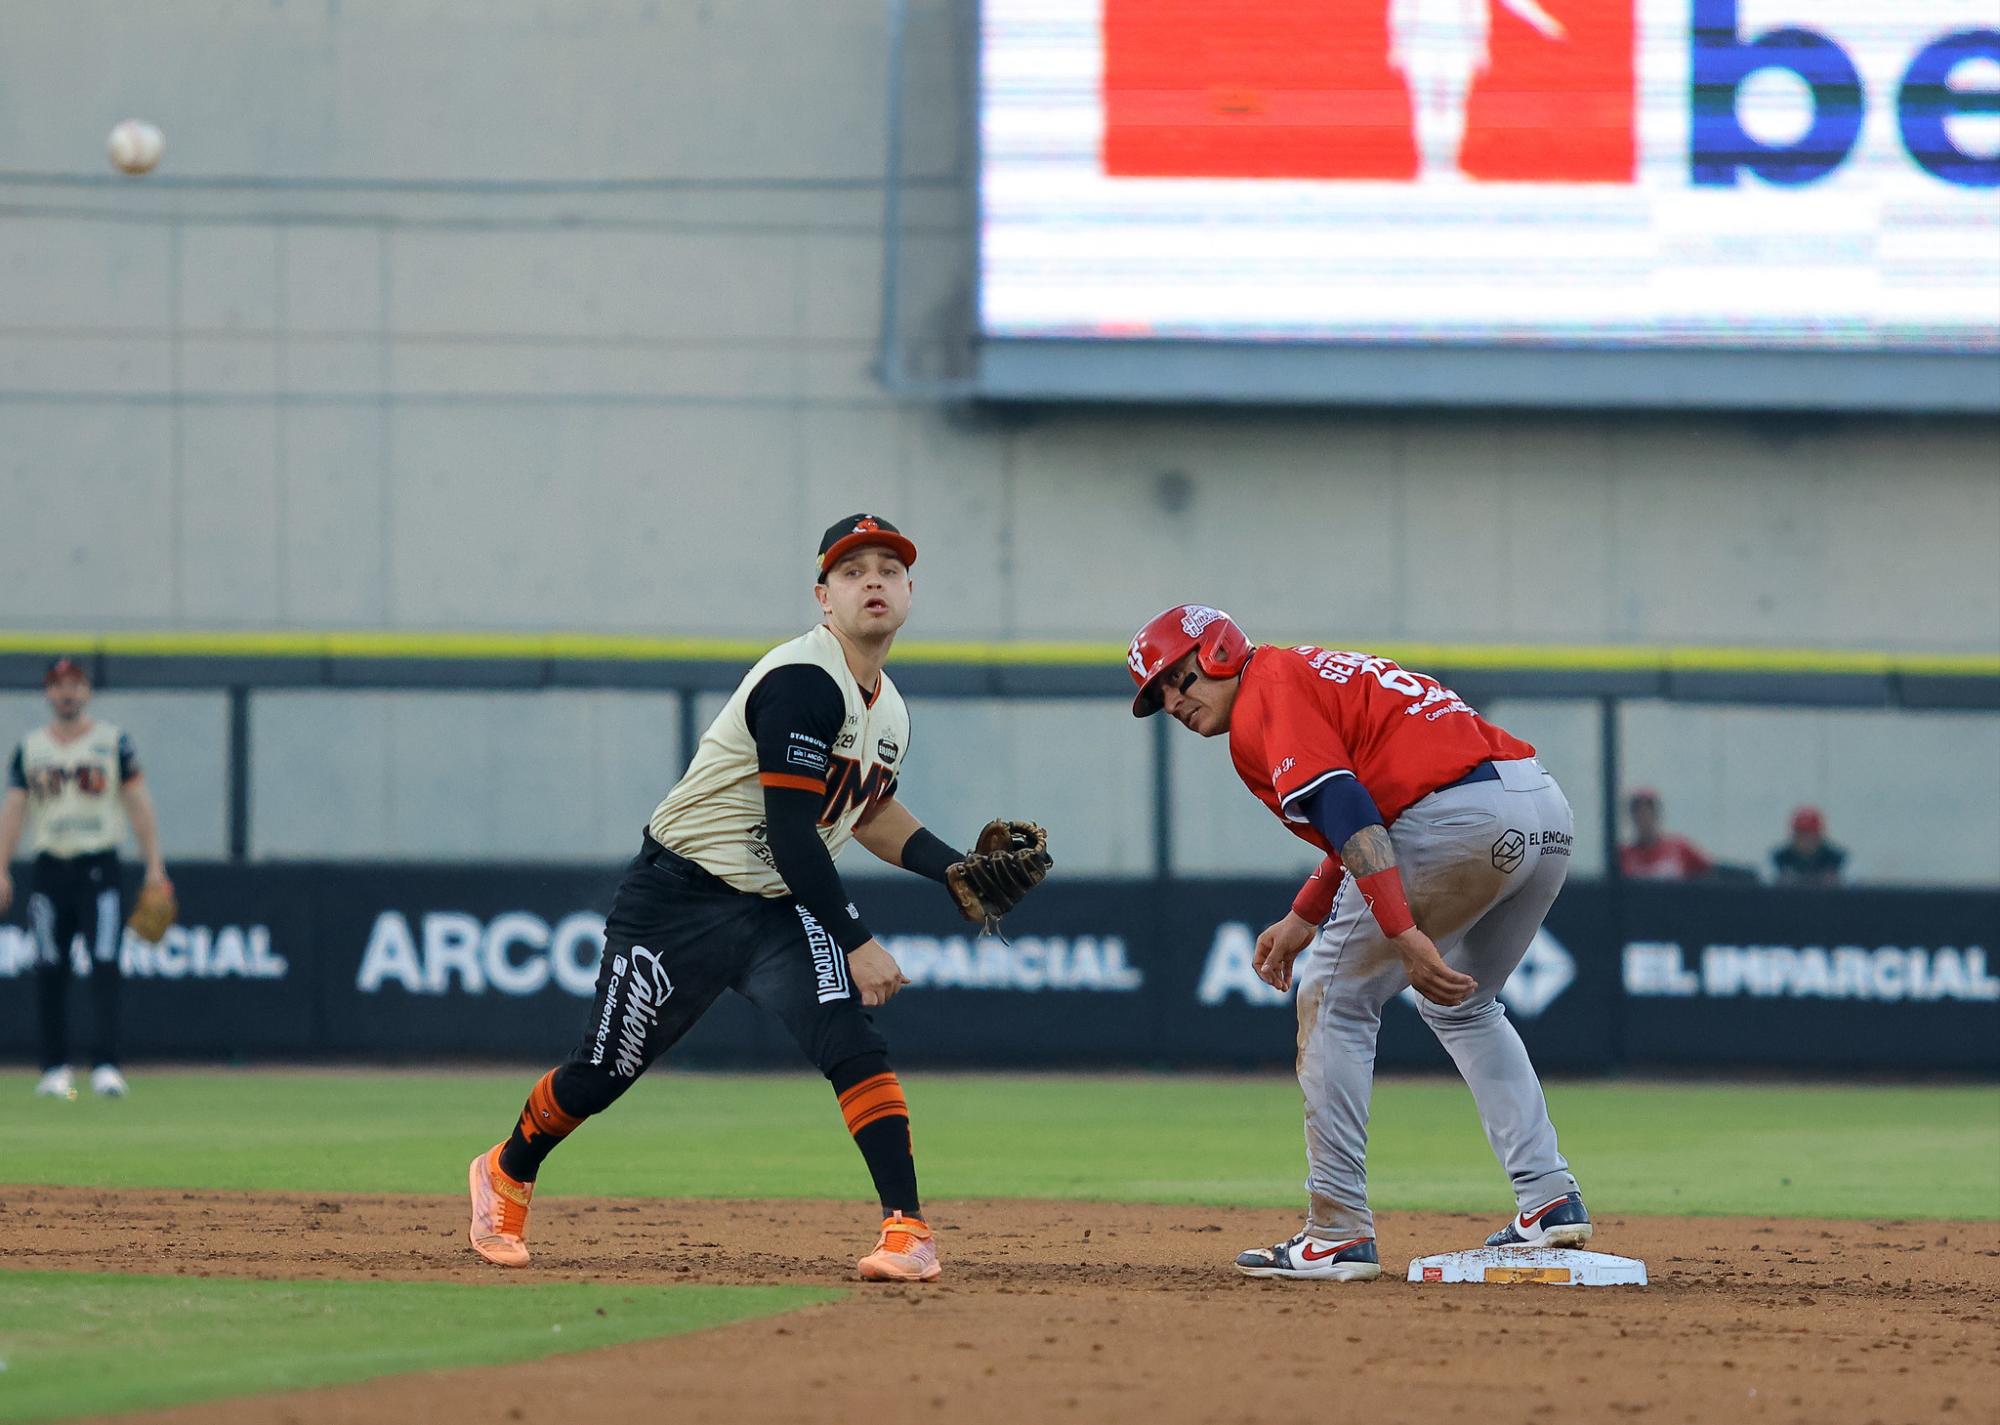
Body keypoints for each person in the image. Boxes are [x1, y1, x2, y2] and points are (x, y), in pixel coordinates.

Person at [466, 515, 1050, 1281]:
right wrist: (856, 936)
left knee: (852, 1044)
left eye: (887, 568)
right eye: (851, 571)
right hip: (678, 896)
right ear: (822, 596)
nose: (872, 579)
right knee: (602, 1071)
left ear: (910, 591)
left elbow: (864, 812)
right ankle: (507, 1169)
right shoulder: (803, 681)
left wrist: (949, 868)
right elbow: (790, 830)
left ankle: (908, 1229)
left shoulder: (890, 709)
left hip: (777, 905)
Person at [1126, 606, 1591, 1280]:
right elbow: (1368, 808)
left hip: (1457, 815)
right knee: (1464, 1004)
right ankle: (1549, 1196)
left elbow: (1352, 811)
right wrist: (1305, 912)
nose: (1172, 700)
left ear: (1221, 647)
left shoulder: (1267, 690)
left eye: (1178, 676)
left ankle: (1337, 1230)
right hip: (1539, 807)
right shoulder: (1302, 671)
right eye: (1158, 696)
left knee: (1333, 997)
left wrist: (1403, 931)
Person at [0, 658, 172, 1099]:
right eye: (59, 686)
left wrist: (154, 864)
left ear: (87, 691)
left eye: (75, 685)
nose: (67, 693)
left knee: (105, 965)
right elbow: (14, 810)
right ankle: (55, 1068)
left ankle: (106, 1066)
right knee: (50, 968)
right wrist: (1, 868)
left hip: (99, 868)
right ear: (47, 693)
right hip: (49, 869)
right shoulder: (30, 747)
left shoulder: (113, 742)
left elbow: (138, 803)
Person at [1617, 788, 1711, 880]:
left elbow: (1710, 872)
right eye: (1638, 812)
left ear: (1656, 815)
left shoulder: (1679, 849)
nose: (1643, 818)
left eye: (1647, 812)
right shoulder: (1624, 856)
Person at [1771, 806, 1845, 885]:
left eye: (1810, 834)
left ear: (1819, 835)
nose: (1805, 839)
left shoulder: (1833, 858)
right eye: (1801, 834)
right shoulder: (1781, 858)